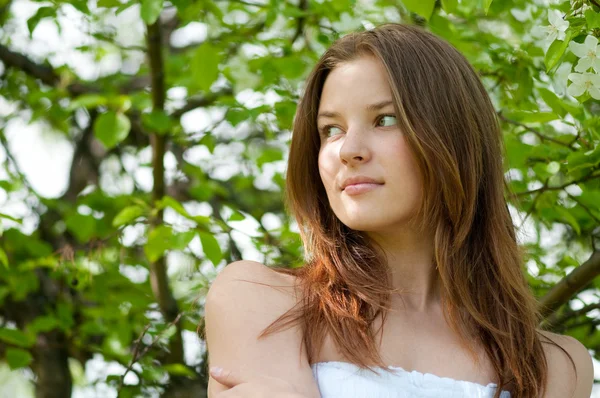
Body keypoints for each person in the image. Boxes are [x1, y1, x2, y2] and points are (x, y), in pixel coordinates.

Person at [203, 23, 594, 398]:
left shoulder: (556, 366)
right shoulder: (262, 301)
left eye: (384, 120)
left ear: (452, 138)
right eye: (331, 129)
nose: (348, 149)